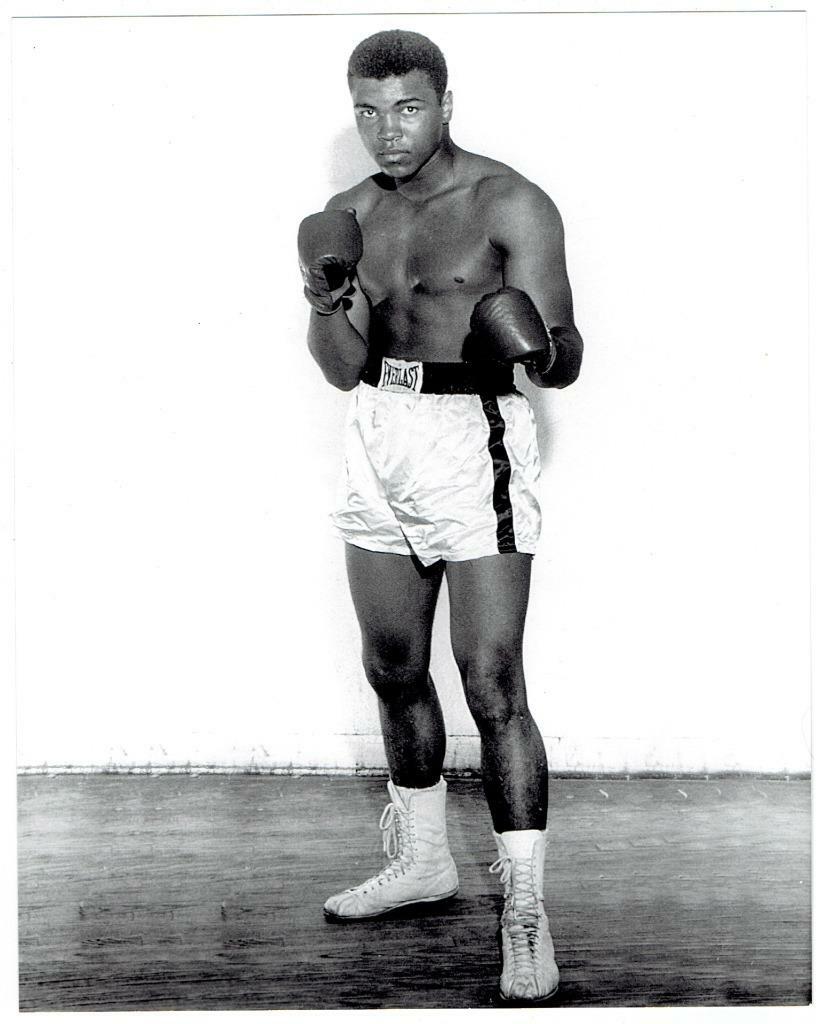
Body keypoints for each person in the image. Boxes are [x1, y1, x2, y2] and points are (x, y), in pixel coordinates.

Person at [297, 29, 583, 1004]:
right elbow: (342, 368)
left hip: (474, 438)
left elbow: (562, 356)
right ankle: (423, 861)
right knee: (391, 666)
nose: (387, 129)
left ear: (445, 104)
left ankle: (525, 908)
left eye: (407, 107)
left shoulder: (509, 202)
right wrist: (325, 300)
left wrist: (535, 344)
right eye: (368, 111)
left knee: (491, 678)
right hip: (378, 430)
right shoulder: (347, 214)